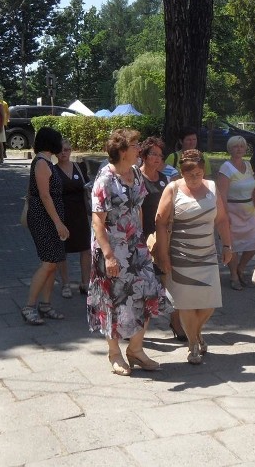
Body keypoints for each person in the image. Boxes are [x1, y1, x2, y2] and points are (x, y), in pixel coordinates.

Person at [88, 129, 169, 375]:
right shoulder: (105, 179)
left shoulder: (135, 173)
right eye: (135, 146)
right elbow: (97, 221)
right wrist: (109, 255)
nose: (139, 150)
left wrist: (144, 238)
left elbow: (139, 208)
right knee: (114, 299)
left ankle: (135, 349)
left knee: (149, 292)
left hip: (136, 246)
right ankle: (115, 354)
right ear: (123, 151)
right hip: (112, 248)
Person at [154, 149, 233, 365]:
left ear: (203, 171)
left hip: (206, 253)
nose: (195, 179)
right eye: (190, 176)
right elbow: (160, 222)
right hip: (180, 255)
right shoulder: (173, 189)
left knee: (209, 302)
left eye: (198, 174)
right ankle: (192, 344)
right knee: (186, 304)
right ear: (182, 173)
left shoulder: (212, 188)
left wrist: (227, 245)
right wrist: (163, 255)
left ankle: (196, 333)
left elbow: (222, 220)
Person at [138, 136, 186, 341]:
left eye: (160, 155)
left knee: (170, 281)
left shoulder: (166, 180)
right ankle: (136, 329)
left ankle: (176, 323)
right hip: (141, 238)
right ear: (144, 155)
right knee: (141, 286)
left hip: (162, 238)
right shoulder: (135, 178)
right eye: (153, 154)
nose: (157, 158)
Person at [21, 127, 70, 326]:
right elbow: (44, 195)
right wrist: (58, 223)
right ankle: (29, 307)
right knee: (48, 262)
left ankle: (46, 305)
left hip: (51, 217)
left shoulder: (47, 161)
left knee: (54, 262)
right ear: (51, 142)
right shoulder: (41, 163)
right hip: (43, 218)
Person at [216, 136, 255, 290]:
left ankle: (241, 268)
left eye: (242, 146)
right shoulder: (226, 168)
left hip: (249, 209)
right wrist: (225, 215)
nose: (239, 149)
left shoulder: (248, 165)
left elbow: (254, 189)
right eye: (236, 147)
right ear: (230, 149)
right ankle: (234, 275)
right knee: (232, 244)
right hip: (232, 209)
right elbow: (221, 193)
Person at [53, 139, 91, 299]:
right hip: (62, 214)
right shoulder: (52, 170)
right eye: (61, 150)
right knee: (62, 250)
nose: (64, 153)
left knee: (86, 249)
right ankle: (65, 283)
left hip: (80, 213)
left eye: (67, 150)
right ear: (56, 152)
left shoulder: (79, 167)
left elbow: (88, 186)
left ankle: (85, 282)